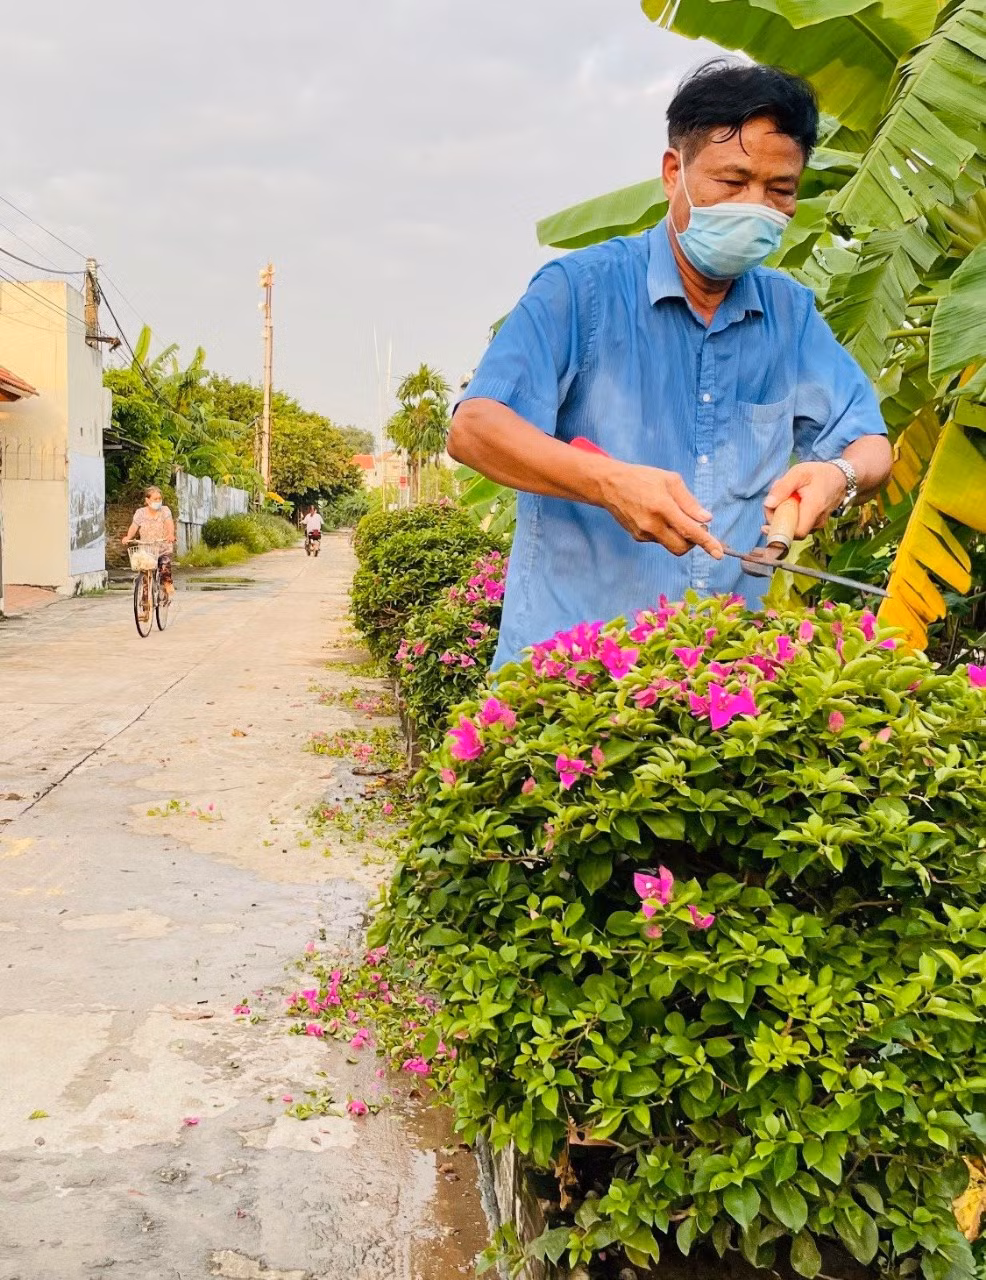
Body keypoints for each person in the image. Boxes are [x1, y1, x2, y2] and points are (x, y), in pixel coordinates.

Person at [449, 59, 893, 670]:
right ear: (672, 173)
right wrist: (609, 483)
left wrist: (836, 474)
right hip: (565, 683)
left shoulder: (790, 315)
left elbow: (870, 441)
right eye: (731, 181)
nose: (754, 206)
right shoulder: (579, 290)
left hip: (720, 692)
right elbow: (474, 428)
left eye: (779, 190)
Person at [121, 485, 175, 598]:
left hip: (162, 547)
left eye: (159, 499)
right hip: (147, 550)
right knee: (145, 576)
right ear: (147, 500)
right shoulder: (140, 513)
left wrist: (170, 534)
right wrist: (128, 537)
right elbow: (134, 526)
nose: (158, 501)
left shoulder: (165, 510)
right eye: (155, 499)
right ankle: (145, 607)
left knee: (164, 564)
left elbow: (169, 524)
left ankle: (167, 583)